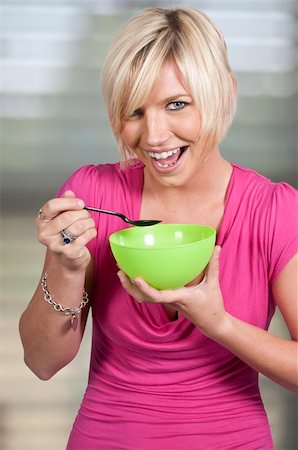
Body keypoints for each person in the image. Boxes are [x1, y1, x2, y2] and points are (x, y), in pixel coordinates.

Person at [19, 6, 298, 450]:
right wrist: (66, 267)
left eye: (176, 105)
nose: (153, 136)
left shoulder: (274, 210)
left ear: (225, 91)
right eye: (134, 111)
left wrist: (220, 324)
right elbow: (42, 362)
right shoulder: (93, 194)